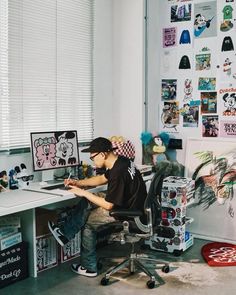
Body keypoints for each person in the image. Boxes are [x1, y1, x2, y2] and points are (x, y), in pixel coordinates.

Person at [48, 137, 147, 277]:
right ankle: (64, 233)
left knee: (88, 223)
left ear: (102, 154)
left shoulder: (119, 172)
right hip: (133, 204)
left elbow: (108, 205)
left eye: (93, 157)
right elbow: (102, 179)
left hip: (129, 213)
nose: (92, 161)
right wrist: (79, 183)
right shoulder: (121, 161)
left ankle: (89, 267)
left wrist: (82, 192)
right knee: (89, 200)